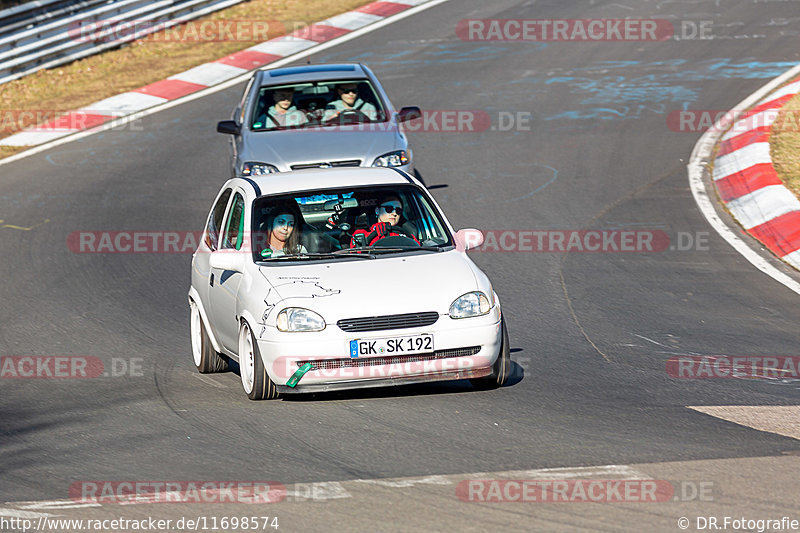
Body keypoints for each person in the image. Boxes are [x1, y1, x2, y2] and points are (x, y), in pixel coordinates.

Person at [350, 195, 420, 247]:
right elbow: (356, 256)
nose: (394, 213)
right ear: (377, 210)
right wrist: (375, 234)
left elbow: (419, 249)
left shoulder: (408, 234)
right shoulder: (362, 234)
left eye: (398, 210)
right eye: (389, 209)